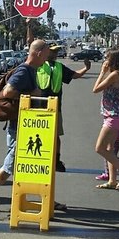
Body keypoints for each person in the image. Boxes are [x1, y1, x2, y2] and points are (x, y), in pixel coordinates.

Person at [0, 39, 55, 213]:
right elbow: (8, 91)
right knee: (12, 163)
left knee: (26, 164)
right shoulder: (24, 71)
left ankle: (47, 198)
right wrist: (31, 93)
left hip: (26, 125)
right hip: (20, 126)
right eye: (46, 53)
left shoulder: (31, 70)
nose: (48, 57)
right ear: (38, 53)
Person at [36, 43, 89, 171]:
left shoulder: (60, 67)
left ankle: (56, 161)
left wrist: (86, 68)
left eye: (56, 51)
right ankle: (39, 160)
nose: (54, 54)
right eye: (52, 51)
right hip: (37, 106)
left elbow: (74, 75)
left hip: (55, 107)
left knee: (55, 135)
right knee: (38, 134)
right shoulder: (38, 65)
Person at [93, 49, 119, 189]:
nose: (105, 60)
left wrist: (102, 72)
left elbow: (95, 89)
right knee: (109, 149)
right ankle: (112, 180)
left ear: (113, 60)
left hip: (113, 117)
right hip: (116, 116)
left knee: (99, 148)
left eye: (107, 58)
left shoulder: (114, 75)